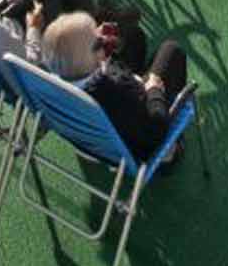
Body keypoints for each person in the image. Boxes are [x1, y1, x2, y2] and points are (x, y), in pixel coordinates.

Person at [43, 12, 190, 163]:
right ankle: (177, 145)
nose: (101, 38)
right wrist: (154, 89)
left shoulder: (46, 82)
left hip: (91, 141)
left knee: (133, 36)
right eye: (98, 42)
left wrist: (99, 49)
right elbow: (155, 131)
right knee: (172, 50)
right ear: (94, 57)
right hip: (141, 146)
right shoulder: (115, 90)